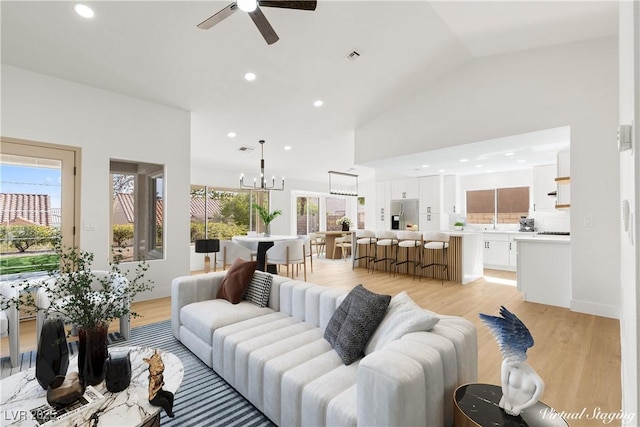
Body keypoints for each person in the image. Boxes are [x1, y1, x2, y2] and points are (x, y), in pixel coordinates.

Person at [479, 306, 544, 417]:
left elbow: (535, 399)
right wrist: (508, 402)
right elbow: (504, 383)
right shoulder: (506, 364)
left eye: (511, 353)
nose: (508, 356)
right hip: (504, 404)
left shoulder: (537, 381)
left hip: (519, 412)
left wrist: (520, 407)